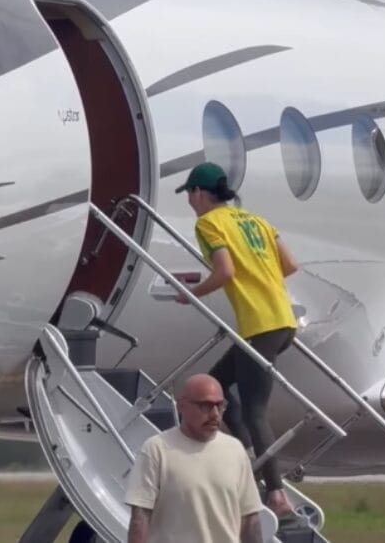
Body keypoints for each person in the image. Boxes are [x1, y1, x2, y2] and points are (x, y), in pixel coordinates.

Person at [172, 162, 300, 518]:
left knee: (256, 409)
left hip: (260, 324)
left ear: (199, 193)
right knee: (215, 385)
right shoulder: (255, 220)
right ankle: (246, 454)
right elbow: (290, 265)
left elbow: (225, 271)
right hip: (283, 321)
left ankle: (276, 494)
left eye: (190, 196)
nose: (190, 203)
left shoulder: (209, 223)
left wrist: (193, 294)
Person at [125, 374, 263, 543]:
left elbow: (250, 519)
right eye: (205, 406)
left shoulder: (235, 450)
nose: (215, 415)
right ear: (181, 406)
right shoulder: (156, 449)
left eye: (220, 406)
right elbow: (140, 519)